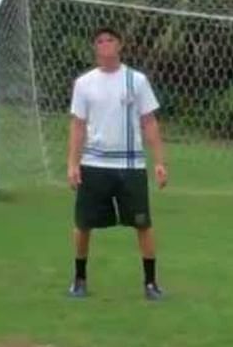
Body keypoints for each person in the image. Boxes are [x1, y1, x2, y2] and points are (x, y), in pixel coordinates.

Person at [66, 26, 167, 300]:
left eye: (110, 39)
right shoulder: (84, 83)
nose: (105, 44)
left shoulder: (137, 80)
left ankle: (150, 283)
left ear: (120, 45)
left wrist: (159, 161)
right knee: (84, 223)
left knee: (143, 223)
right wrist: (73, 164)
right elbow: (78, 125)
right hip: (94, 163)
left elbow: (149, 121)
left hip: (130, 166)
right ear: (95, 48)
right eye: (100, 41)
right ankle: (79, 279)